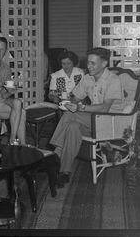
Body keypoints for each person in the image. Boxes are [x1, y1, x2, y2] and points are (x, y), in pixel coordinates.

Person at [49, 48, 123, 187]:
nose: (88, 66)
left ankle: (56, 152)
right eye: (88, 62)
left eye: (93, 63)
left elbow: (105, 108)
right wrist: (69, 102)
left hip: (110, 122)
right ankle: (64, 172)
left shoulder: (113, 80)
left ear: (104, 63)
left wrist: (80, 108)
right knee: (72, 126)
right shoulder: (87, 78)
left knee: (71, 115)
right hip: (94, 120)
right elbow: (75, 98)